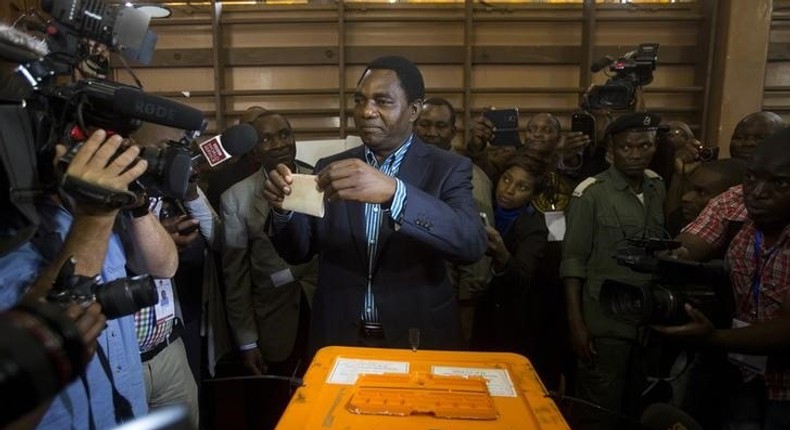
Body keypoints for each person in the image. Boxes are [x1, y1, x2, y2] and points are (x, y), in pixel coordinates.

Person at [263, 55, 486, 353]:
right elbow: (298, 251)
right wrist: (283, 211)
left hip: (417, 338)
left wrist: (396, 193)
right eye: (360, 100)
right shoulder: (331, 166)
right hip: (339, 337)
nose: (367, 111)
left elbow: (470, 243)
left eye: (383, 101)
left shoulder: (448, 168)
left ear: (414, 110)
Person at [0, 130, 176, 429]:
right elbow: (47, 329)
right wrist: (95, 213)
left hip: (126, 407)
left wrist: (135, 204)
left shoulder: (94, 214)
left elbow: (165, 266)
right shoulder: (14, 235)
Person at [657, 126, 790, 428]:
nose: (757, 192)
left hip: (784, 385)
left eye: (779, 183)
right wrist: (674, 257)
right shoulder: (735, 198)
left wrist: (714, 338)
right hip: (736, 371)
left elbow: (786, 329)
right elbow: (691, 242)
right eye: (751, 177)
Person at [561, 112, 666, 429]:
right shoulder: (591, 193)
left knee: (638, 404)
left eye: (644, 145)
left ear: (654, 146)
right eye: (626, 147)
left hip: (647, 319)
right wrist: (576, 323)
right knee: (598, 408)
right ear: (612, 149)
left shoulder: (657, 186)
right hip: (604, 321)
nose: (636, 154)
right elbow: (572, 262)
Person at [221, 109, 315, 375]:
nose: (279, 144)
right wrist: (247, 341)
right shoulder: (235, 199)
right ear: (253, 153)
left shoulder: (321, 180)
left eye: (285, 134)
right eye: (267, 139)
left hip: (324, 313)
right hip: (274, 319)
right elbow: (235, 277)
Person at [413, 96, 493, 345]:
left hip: (449, 301)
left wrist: (465, 311)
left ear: (453, 131)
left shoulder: (468, 176)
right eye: (424, 125)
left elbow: (478, 253)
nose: (431, 133)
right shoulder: (411, 169)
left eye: (440, 126)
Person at [470, 154, 550, 366]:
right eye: (507, 179)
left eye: (522, 187)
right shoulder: (485, 208)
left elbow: (522, 278)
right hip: (479, 314)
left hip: (512, 323)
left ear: (533, 195)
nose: (509, 190)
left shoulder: (535, 229)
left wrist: (502, 254)